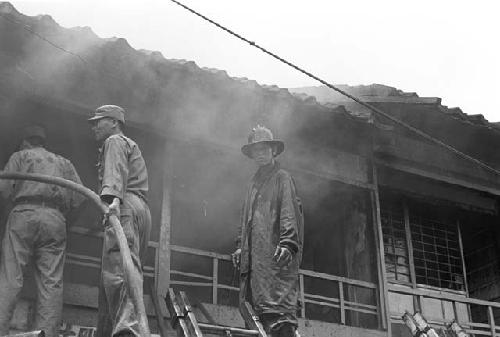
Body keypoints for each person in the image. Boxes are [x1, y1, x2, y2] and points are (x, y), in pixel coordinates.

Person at [0, 125, 84, 337]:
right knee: (51, 283)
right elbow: (81, 199)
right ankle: (46, 333)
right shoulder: (64, 163)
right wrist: (65, 222)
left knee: (11, 276)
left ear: (26, 141)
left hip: (23, 213)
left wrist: (10, 216)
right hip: (55, 220)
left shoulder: (20, 156)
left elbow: (3, 190)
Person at [232, 125, 304, 337]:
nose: (260, 154)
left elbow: (289, 210)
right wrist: (240, 246)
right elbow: (245, 219)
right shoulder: (252, 184)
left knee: (279, 314)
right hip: (255, 260)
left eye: (264, 149)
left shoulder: (282, 177)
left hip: (275, 256)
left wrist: (288, 242)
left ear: (273, 151)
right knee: (255, 311)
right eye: (256, 150)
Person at [88, 105, 151, 337]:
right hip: (139, 209)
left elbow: (116, 172)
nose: (94, 126)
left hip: (123, 206)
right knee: (127, 270)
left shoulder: (114, 140)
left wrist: (113, 201)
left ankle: (128, 331)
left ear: (114, 123)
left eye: (99, 121)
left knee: (119, 273)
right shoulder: (130, 145)